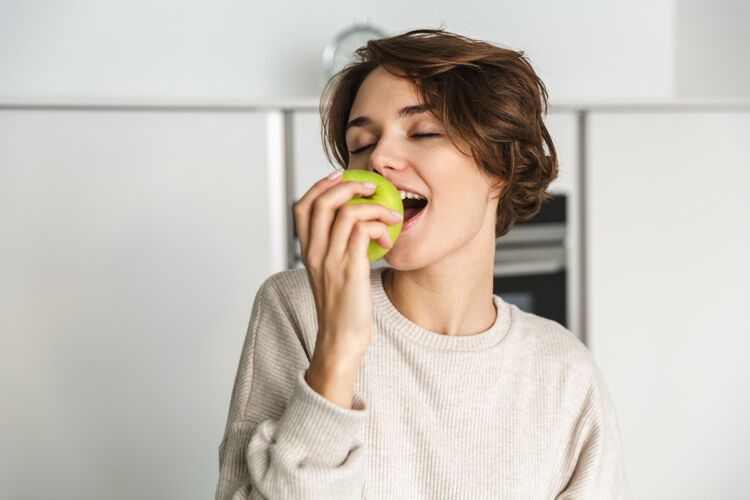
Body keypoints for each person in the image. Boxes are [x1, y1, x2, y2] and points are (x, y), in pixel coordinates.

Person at [215, 28, 629, 499]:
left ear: (500, 165)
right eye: (361, 143)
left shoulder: (565, 374)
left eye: (424, 131)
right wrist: (338, 349)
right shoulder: (297, 308)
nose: (380, 158)